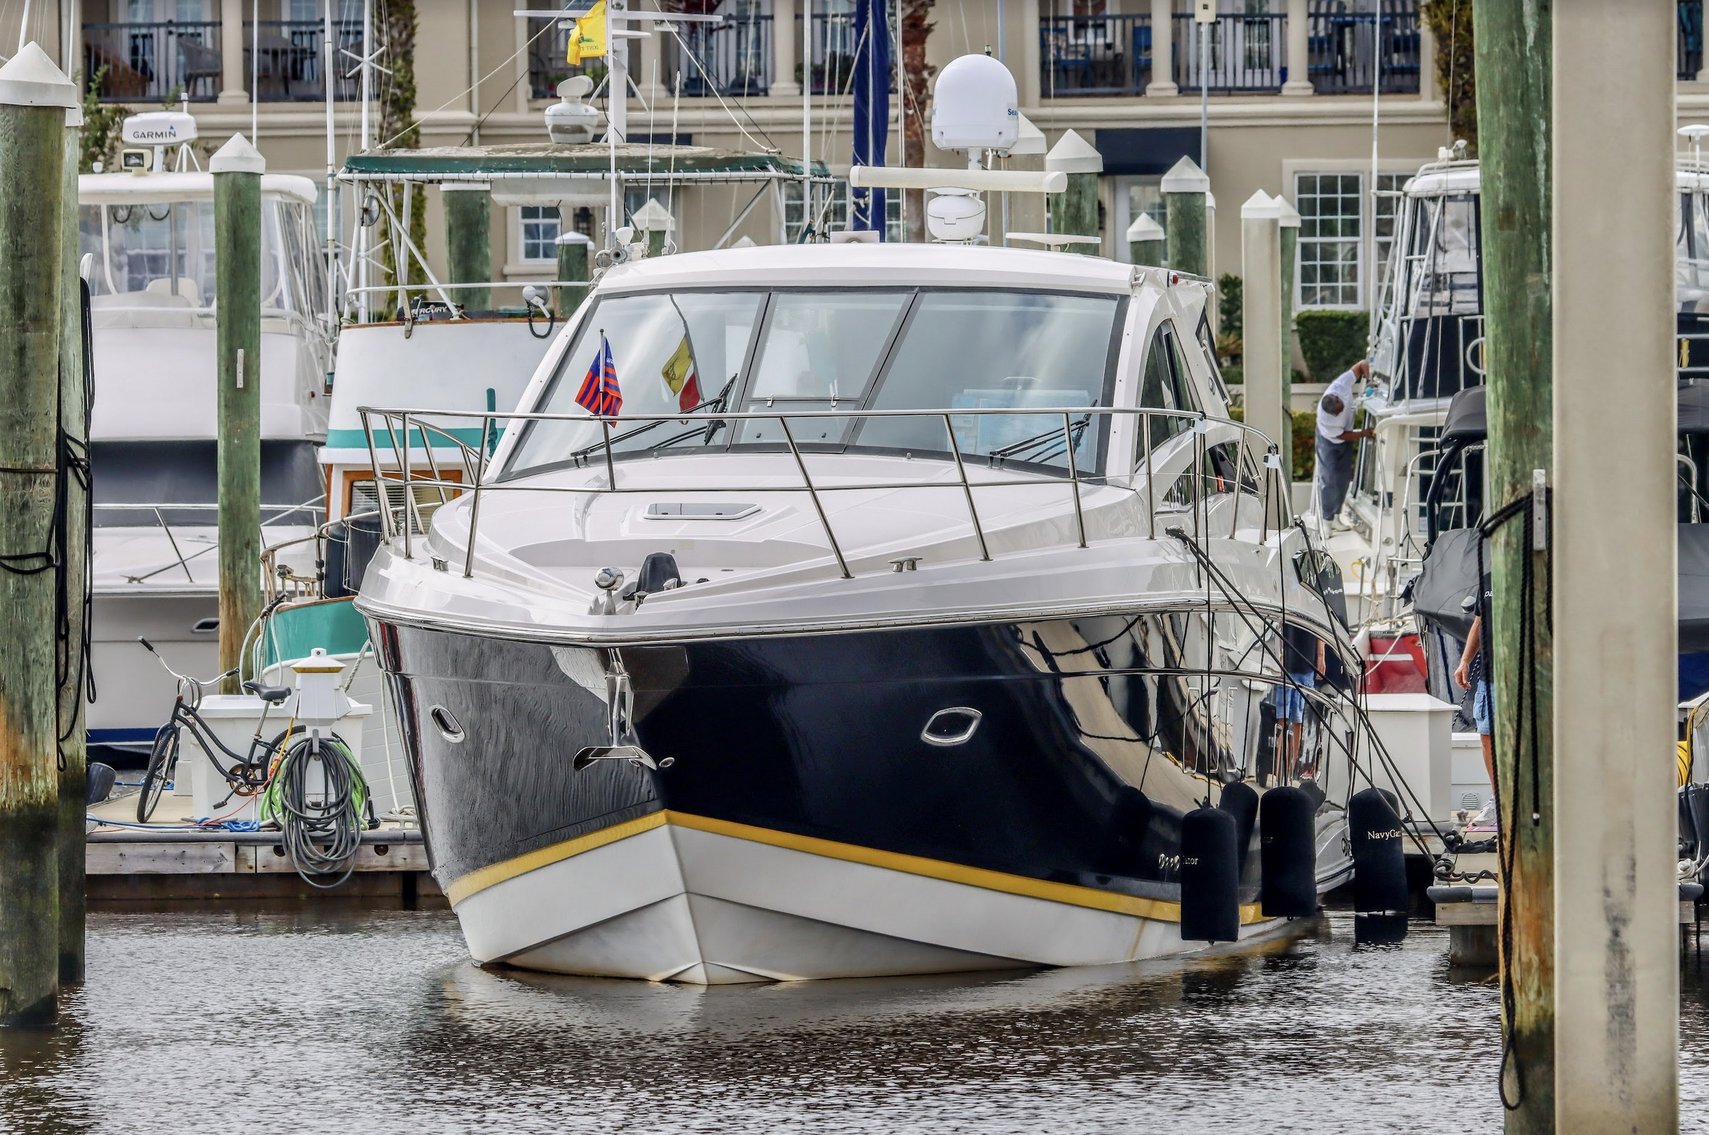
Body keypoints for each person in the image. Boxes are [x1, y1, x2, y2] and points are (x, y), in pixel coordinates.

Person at [1315, 358, 1375, 527]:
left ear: (1337, 398)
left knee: (1342, 479)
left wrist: (1369, 380)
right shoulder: (1327, 418)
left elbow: (1362, 364)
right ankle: (1327, 520)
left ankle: (1336, 516)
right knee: (1329, 479)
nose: (1339, 412)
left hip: (1344, 435)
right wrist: (1363, 433)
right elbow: (1343, 435)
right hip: (1329, 441)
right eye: (1337, 413)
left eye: (1340, 408)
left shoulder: (1339, 386)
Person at [1453, 614, 1497, 829]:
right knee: (1487, 736)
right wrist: (1464, 662)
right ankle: (1498, 801)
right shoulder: (1486, 579)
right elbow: (1480, 621)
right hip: (1489, 678)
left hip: (1523, 676)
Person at [1272, 622, 1326, 784]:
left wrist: (1320, 657)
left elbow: (1318, 626)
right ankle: (1280, 768)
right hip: (1289, 663)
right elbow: (1280, 625)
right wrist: (1280, 654)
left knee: (1298, 721)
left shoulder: (1311, 599)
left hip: (1306, 664)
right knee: (1283, 720)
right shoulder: (1289, 598)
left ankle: (1291, 768)